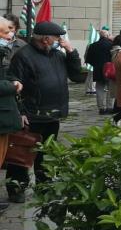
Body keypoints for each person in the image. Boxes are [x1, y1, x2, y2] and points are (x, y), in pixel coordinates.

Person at [5, 22, 85, 202]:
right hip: (32, 113)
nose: (60, 40)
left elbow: (77, 76)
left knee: (46, 154)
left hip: (53, 113)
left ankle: (44, 185)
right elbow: (13, 83)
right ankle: (16, 187)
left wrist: (72, 52)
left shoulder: (57, 55)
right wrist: (20, 112)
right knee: (21, 152)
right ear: (47, 39)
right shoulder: (23, 56)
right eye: (58, 37)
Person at [0, 18, 25, 213]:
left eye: (10, 31)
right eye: (5, 31)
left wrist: (13, 81)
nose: (10, 35)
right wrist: (13, 86)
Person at [84, 29, 114, 114]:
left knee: (99, 89)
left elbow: (88, 59)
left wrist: (96, 65)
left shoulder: (93, 45)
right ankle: (109, 107)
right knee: (110, 88)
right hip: (110, 70)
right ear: (107, 36)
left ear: (99, 36)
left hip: (97, 70)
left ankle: (101, 108)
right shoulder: (111, 45)